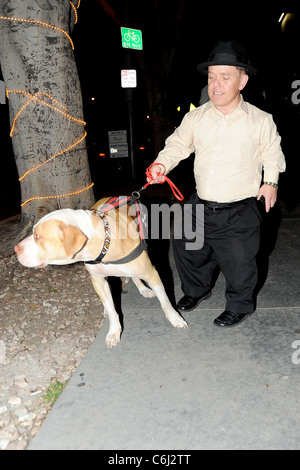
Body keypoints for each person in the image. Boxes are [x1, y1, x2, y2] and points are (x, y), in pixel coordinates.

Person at [147, 40, 286, 327]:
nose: (216, 84)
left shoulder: (260, 120)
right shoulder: (196, 117)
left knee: (239, 265)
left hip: (238, 209)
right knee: (187, 251)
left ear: (242, 81)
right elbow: (177, 144)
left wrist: (270, 182)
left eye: (225, 77)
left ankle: (239, 305)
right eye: (212, 77)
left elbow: (272, 154)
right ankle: (196, 291)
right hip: (199, 203)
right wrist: (161, 163)